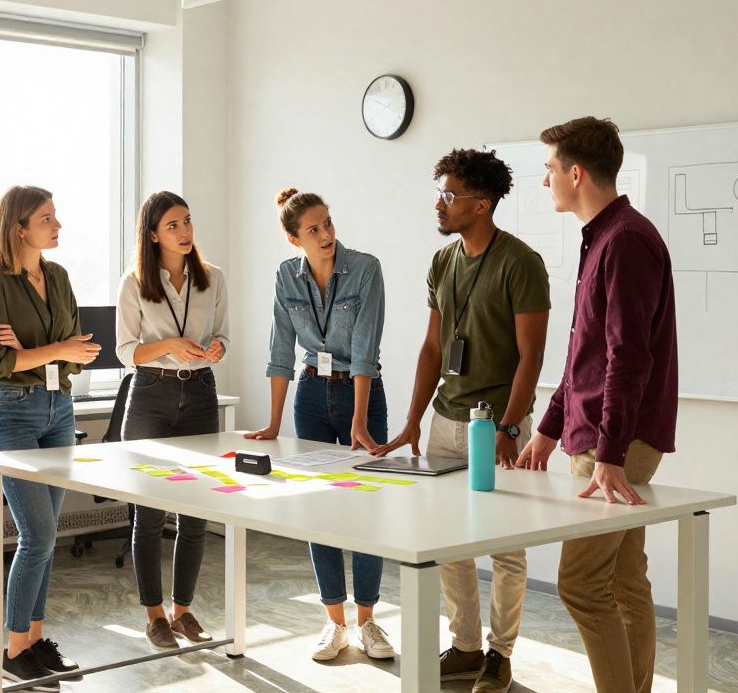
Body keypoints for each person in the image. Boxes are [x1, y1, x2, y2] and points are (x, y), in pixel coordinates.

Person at [377, 148, 550, 693]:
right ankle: (467, 646)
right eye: (440, 193)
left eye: (449, 196)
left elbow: (532, 357)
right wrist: (412, 421)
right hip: (446, 420)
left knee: (505, 545)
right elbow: (433, 347)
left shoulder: (520, 263)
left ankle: (499, 655)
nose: (440, 204)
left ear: (481, 204)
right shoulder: (443, 262)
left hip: (497, 426)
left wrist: (511, 428)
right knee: (447, 542)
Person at [516, 117, 678, 693]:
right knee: (625, 578)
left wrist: (609, 453)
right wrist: (549, 429)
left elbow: (627, 358)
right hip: (601, 437)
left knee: (582, 584)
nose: (546, 182)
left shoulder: (626, 241)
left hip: (617, 443)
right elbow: (583, 354)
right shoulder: (605, 236)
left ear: (576, 172)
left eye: (550, 170)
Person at [243, 188, 396, 662]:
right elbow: (280, 350)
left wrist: (357, 416)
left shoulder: (366, 268)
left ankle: (369, 621)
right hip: (310, 393)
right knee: (319, 508)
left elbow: (367, 349)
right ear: (295, 239)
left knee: (366, 508)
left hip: (361, 394)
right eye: (314, 229)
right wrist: (272, 422)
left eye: (328, 223)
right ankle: (334, 623)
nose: (327, 234)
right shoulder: (286, 276)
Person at [0, 185, 100, 689]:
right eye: (47, 217)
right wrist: (55, 348)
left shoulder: (60, 277)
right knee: (38, 535)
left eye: (56, 215)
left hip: (59, 408)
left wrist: (38, 349)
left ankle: (34, 644)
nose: (58, 223)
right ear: (19, 226)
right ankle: (11, 647)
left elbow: (79, 352)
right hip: (13, 413)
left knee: (47, 537)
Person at [115, 191, 229, 650]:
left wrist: (218, 347)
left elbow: (222, 332)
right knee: (149, 513)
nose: (185, 232)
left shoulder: (213, 278)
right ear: (153, 234)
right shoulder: (134, 282)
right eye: (174, 226)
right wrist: (168, 345)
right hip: (150, 396)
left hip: (200, 393)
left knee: (196, 515)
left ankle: (183, 611)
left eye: (187, 221)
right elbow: (127, 352)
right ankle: (154, 616)